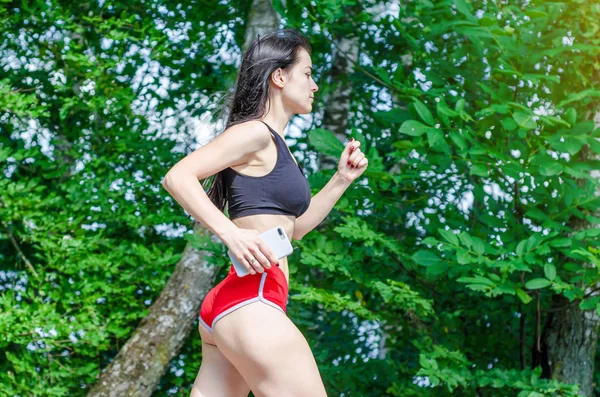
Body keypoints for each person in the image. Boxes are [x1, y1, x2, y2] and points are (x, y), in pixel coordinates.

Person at [161, 29, 368, 397]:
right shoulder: (256, 133)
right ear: (279, 76)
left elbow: (295, 230)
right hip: (252, 300)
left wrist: (341, 179)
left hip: (231, 305)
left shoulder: (276, 145)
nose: (315, 84)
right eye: (307, 73)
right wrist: (230, 233)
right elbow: (178, 177)